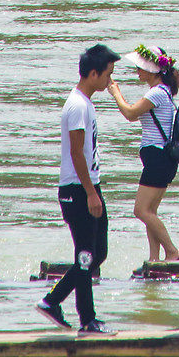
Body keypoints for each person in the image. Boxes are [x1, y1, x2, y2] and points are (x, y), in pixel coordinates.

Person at [39, 43, 118, 334]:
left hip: (87, 185)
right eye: (108, 74)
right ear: (93, 73)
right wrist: (90, 193)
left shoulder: (85, 102)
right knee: (85, 255)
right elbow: (76, 152)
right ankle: (87, 319)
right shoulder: (77, 106)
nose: (110, 80)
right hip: (77, 189)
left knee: (96, 254)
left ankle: (53, 300)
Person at [108, 46, 179, 263]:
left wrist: (116, 94)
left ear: (153, 70)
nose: (137, 72)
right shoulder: (165, 92)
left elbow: (131, 113)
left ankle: (172, 251)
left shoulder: (156, 92)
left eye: (141, 68)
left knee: (141, 210)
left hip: (157, 157)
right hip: (162, 159)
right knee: (150, 211)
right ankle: (154, 258)